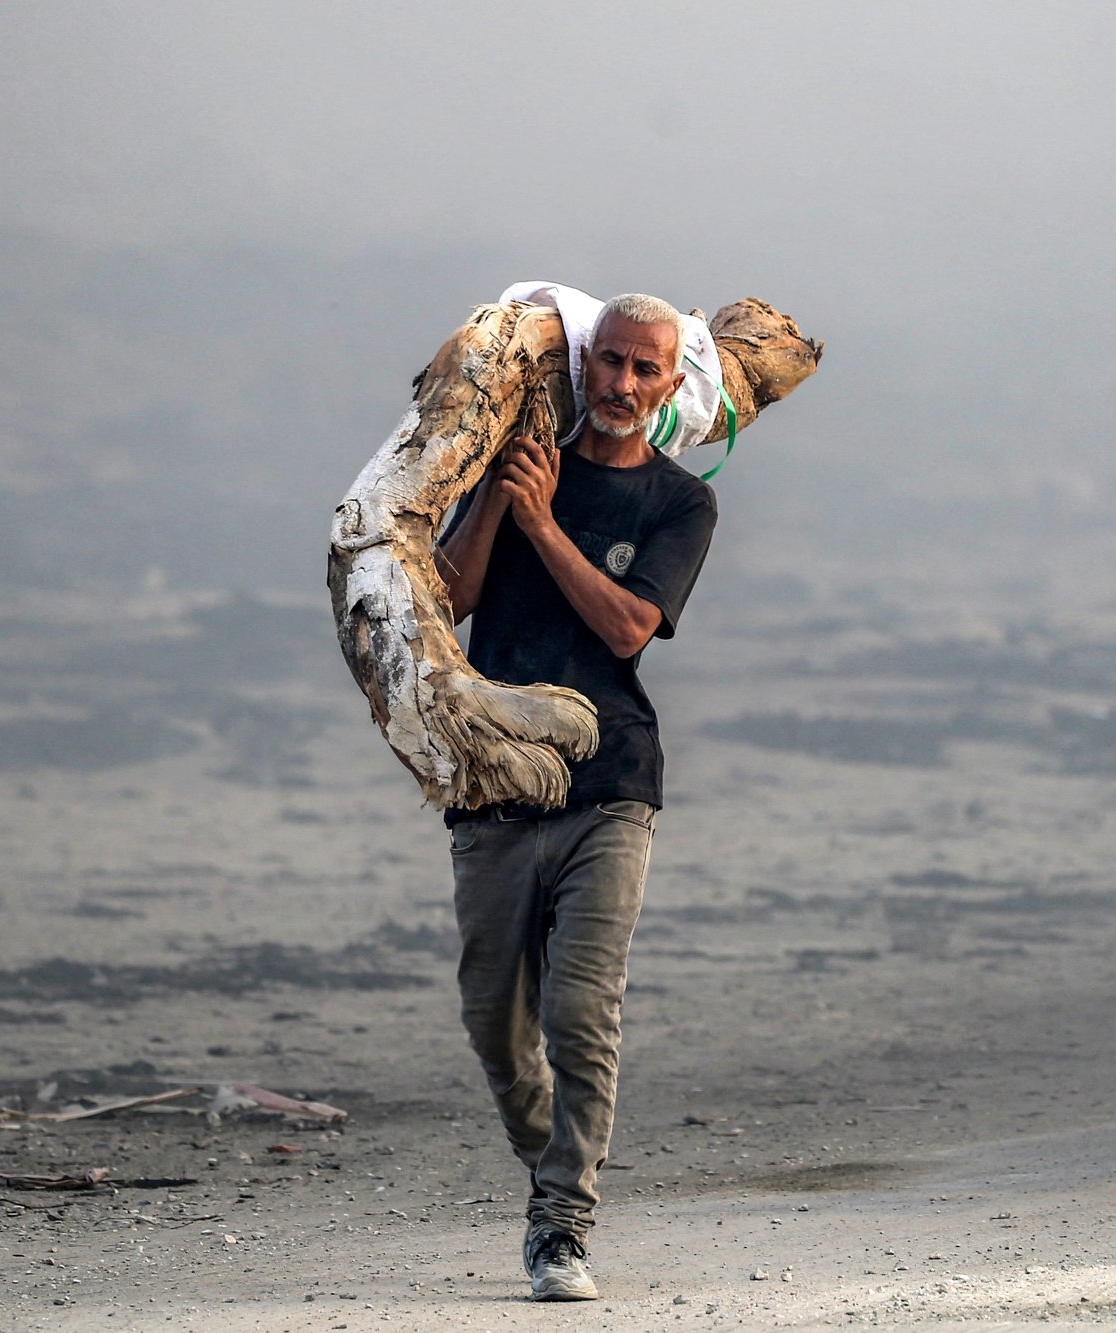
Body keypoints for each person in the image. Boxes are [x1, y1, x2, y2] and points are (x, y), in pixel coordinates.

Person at [433, 293, 718, 1301]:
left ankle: (561, 1225)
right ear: (580, 364)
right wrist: (504, 501)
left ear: (672, 386)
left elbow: (628, 628)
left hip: (610, 782)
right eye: (610, 364)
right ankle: (554, 1160)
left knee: (580, 1009)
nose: (624, 386)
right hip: (494, 782)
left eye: (647, 371)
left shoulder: (679, 503)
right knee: (494, 1027)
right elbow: (454, 600)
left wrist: (546, 525)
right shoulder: (515, 461)